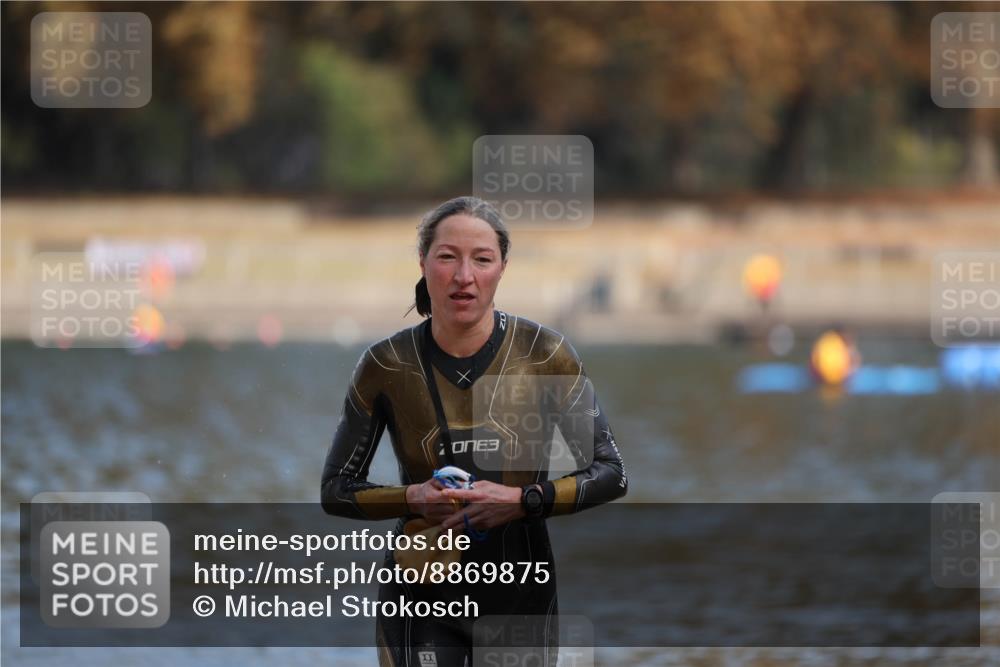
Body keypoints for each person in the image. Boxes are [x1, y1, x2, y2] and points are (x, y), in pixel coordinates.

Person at [321, 196, 628, 666]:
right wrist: (413, 498)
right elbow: (336, 489)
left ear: (502, 267)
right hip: (419, 593)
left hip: (519, 593)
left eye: (481, 259)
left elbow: (611, 473)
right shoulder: (386, 364)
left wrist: (521, 501)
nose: (464, 276)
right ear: (423, 262)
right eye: (447, 257)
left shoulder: (545, 355)